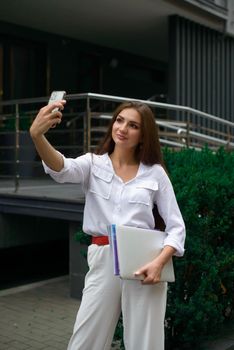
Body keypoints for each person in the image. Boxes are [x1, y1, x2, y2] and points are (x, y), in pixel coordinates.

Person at [30, 99, 186, 350]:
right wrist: (37, 136)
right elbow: (61, 168)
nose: (122, 128)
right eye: (119, 120)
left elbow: (177, 227)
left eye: (133, 125)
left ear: (143, 135)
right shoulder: (93, 163)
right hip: (103, 256)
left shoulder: (155, 172)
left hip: (145, 260)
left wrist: (159, 263)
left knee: (145, 343)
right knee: (85, 340)